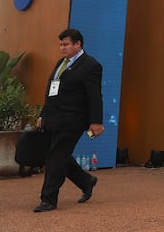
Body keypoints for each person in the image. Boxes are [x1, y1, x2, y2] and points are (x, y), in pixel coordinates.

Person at [34, 28, 104, 212]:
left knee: (56, 157)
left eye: (66, 44)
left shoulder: (90, 65)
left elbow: (94, 96)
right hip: (53, 118)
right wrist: (43, 114)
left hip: (72, 120)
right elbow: (51, 92)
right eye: (60, 45)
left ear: (77, 44)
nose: (62, 48)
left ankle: (48, 199)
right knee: (56, 155)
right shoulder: (61, 63)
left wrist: (96, 122)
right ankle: (86, 181)